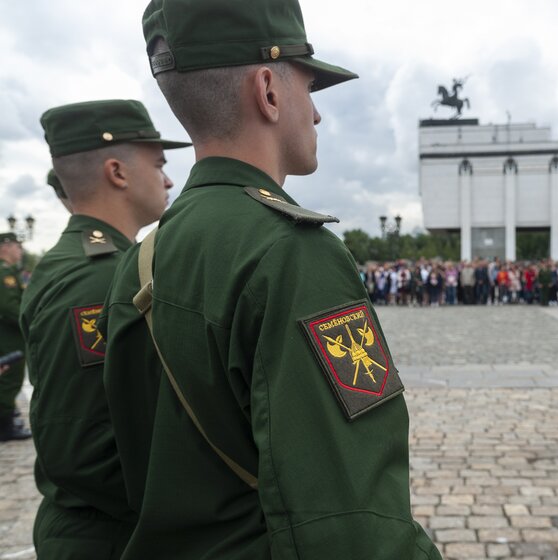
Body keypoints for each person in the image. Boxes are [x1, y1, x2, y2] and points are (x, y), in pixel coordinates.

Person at [100, 1, 442, 558]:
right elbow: (352, 525)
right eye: (310, 88)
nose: (317, 114)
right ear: (269, 90)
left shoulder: (141, 261)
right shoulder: (291, 253)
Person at [19, 99, 188, 558]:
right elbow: (83, 447)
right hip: (111, 538)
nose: (170, 179)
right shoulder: (97, 277)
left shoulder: (99, 263)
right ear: (117, 172)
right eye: (158, 164)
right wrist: (189, 511)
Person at [0, 232, 30, 442]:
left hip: (10, 335)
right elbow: (9, 306)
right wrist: (31, 320)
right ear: (6, 247)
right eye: (17, 247)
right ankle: (5, 426)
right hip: (8, 337)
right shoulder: (4, 273)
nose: (20, 251)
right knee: (9, 380)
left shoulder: (11, 272)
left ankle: (8, 420)